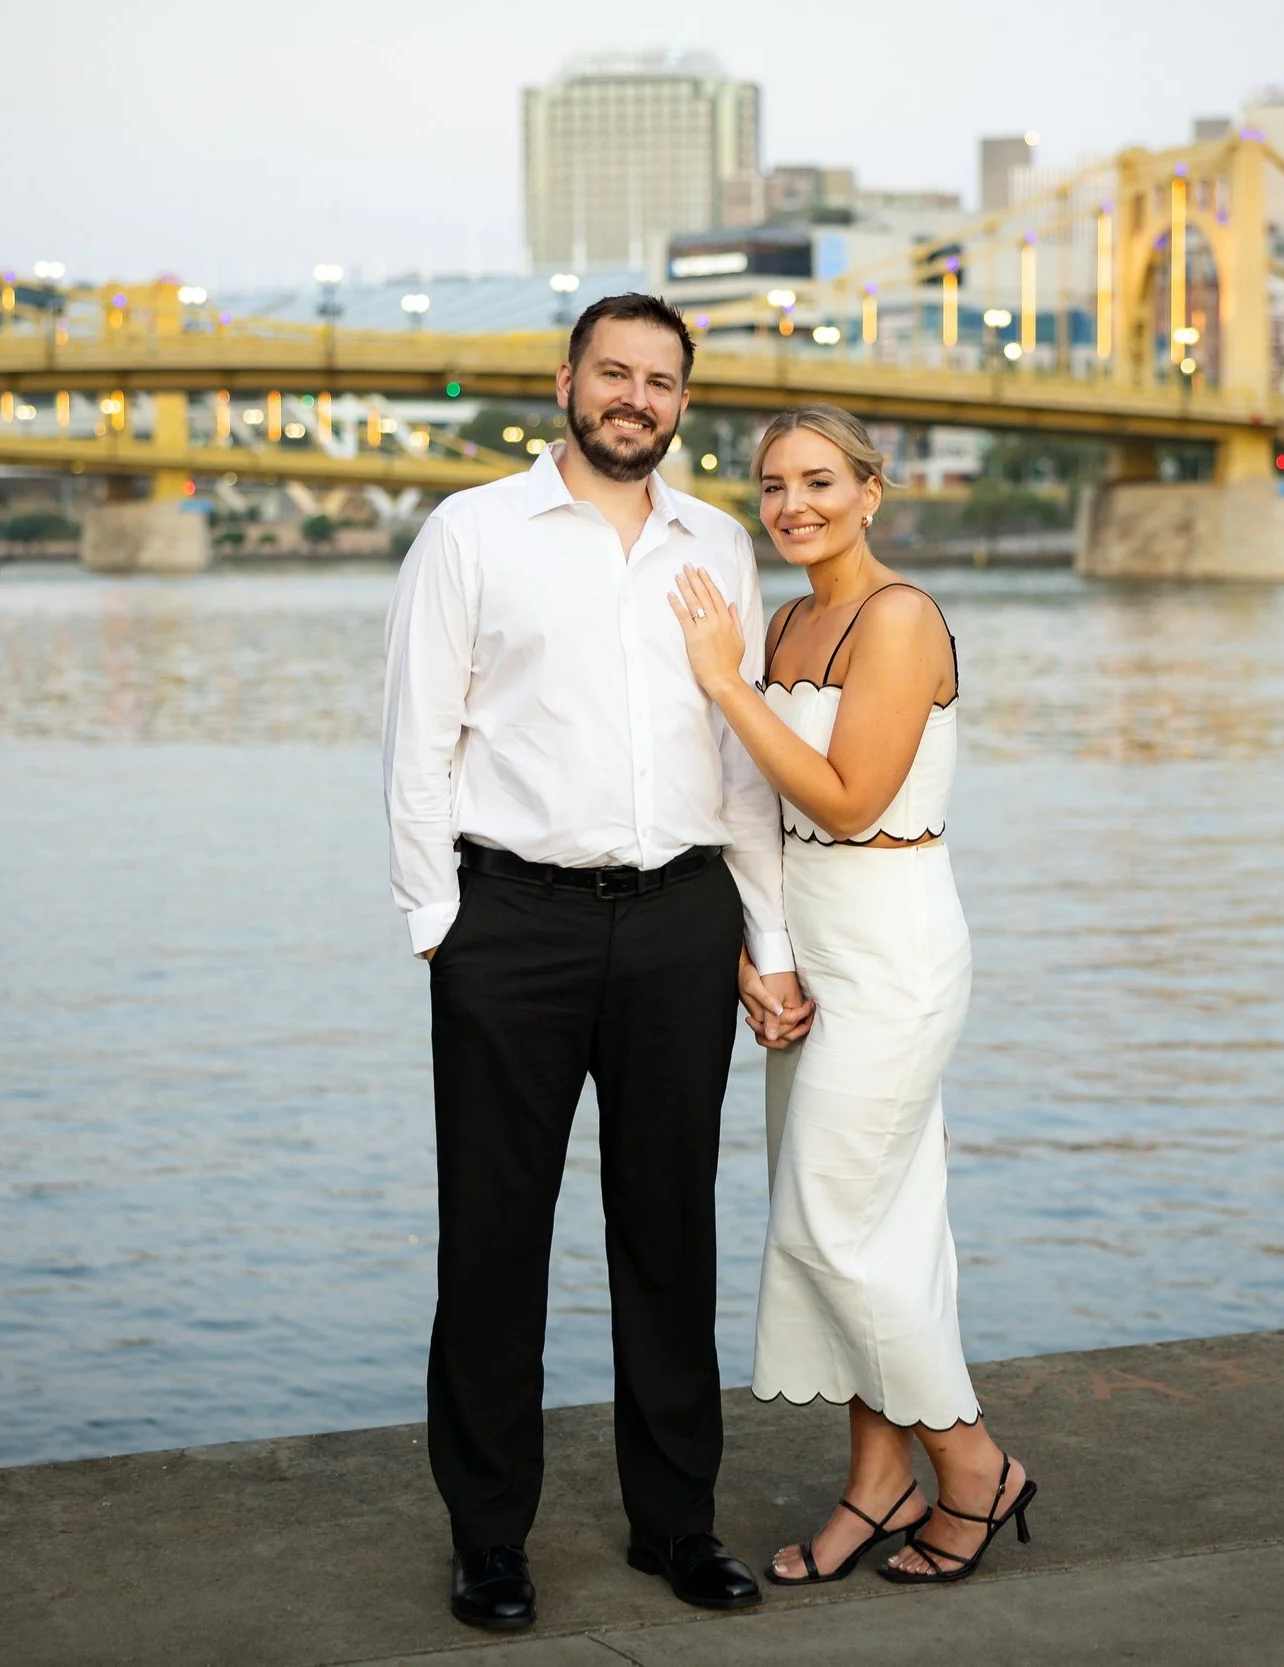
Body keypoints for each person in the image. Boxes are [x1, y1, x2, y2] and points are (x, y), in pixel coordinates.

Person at [382, 293, 812, 1631]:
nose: (635, 397)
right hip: (513, 925)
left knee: (670, 1231)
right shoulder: (471, 534)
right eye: (613, 372)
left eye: (661, 380)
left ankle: (675, 1522)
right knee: (495, 1240)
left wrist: (766, 936)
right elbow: (418, 742)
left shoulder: (720, 544)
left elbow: (740, 762)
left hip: (681, 923)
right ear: (563, 379)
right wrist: (438, 924)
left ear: (684, 400)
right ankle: (489, 1540)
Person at [664, 403, 1038, 1588]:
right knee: (882, 1219)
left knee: (825, 1217)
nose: (792, 506)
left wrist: (725, 687)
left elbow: (843, 799)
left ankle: (971, 1466)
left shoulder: (900, 617)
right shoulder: (786, 617)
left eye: (819, 480)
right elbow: (763, 818)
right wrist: (756, 950)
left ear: (871, 490)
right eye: (772, 486)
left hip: (895, 947)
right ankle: (877, 1485)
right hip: (811, 950)